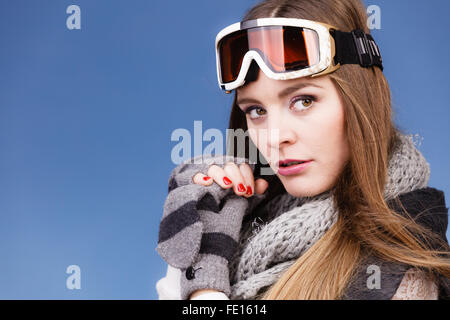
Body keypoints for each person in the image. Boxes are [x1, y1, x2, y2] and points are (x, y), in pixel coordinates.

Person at [155, 0, 450, 300]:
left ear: (362, 101)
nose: (275, 137)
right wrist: (206, 239)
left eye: (304, 101)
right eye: (256, 110)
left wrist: (203, 296)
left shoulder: (400, 278)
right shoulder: (253, 218)